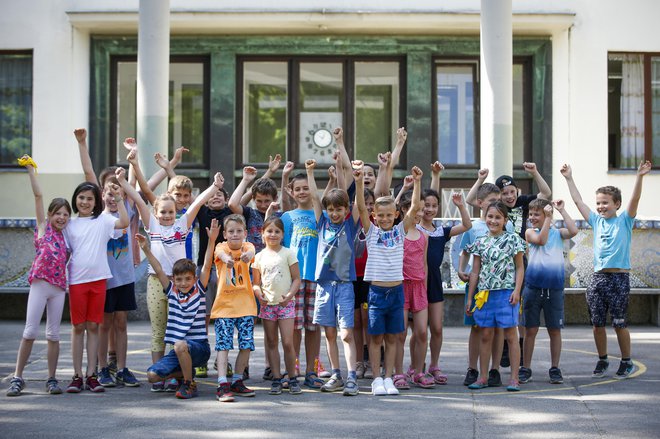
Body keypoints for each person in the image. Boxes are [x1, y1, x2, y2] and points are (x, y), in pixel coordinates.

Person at [128, 152, 224, 392]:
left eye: (170, 212)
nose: (167, 215)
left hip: (183, 281)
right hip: (157, 279)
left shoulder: (183, 223)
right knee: (159, 331)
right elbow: (141, 197)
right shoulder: (152, 224)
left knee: (179, 330)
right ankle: (160, 374)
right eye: (163, 212)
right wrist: (132, 167)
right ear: (156, 213)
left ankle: (177, 376)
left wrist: (214, 187)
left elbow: (197, 202)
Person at [561, 160, 652, 379]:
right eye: (599, 203)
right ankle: (602, 360)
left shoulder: (625, 221)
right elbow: (578, 200)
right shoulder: (596, 221)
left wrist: (640, 176)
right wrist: (569, 178)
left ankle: (626, 361)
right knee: (597, 324)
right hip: (597, 279)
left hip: (619, 279)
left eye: (606, 203)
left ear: (617, 204)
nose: (601, 207)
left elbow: (635, 198)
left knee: (620, 323)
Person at [6, 157, 71, 397]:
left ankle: (52, 379)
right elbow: (38, 196)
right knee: (30, 331)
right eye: (58, 213)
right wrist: (31, 171)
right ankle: (17, 377)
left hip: (58, 289)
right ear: (50, 214)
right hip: (40, 286)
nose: (62, 218)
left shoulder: (68, 236)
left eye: (66, 214)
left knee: (53, 334)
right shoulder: (43, 228)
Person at [356, 161, 422, 396]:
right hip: (376, 293)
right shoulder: (371, 231)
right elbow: (361, 209)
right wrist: (356, 178)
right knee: (375, 338)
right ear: (375, 216)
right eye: (380, 215)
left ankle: (389, 377)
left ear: (395, 215)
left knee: (394, 337)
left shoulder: (400, 231)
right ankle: (376, 379)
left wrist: (417, 182)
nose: (384, 219)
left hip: (397, 292)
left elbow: (414, 208)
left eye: (388, 215)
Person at [138, 218, 218, 399]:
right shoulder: (172, 292)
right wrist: (146, 249)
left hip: (199, 349)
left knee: (180, 344)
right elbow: (158, 269)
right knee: (152, 376)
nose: (183, 283)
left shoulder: (199, 290)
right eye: (179, 279)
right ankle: (186, 372)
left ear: (194, 279)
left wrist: (212, 240)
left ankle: (189, 384)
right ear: (173, 279)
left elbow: (206, 265)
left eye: (188, 279)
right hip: (179, 350)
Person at [64, 180, 128, 393]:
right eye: (81, 198)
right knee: (77, 328)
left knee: (93, 327)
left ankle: (91, 374)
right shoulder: (69, 224)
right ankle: (76, 375)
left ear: (96, 201)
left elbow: (125, 221)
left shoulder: (103, 220)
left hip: (99, 280)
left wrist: (118, 198)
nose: (85, 202)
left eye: (89, 199)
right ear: (75, 199)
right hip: (76, 282)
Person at [306, 159, 361, 396]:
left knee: (346, 333)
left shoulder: (350, 225)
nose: (335, 212)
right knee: (329, 333)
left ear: (346, 210)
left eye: (339, 209)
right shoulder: (322, 223)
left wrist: (357, 181)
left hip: (345, 285)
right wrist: (310, 173)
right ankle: (336, 374)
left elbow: (360, 206)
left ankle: (351, 377)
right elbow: (315, 199)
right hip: (324, 286)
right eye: (332, 209)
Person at [415, 161, 472, 385]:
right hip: (417, 280)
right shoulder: (413, 227)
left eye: (433, 205)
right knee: (418, 331)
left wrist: (460, 206)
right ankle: (416, 367)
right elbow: (421, 199)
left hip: (435, 282)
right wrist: (430, 177)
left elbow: (466, 225)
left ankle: (434, 365)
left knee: (436, 328)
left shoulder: (441, 230)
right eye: (425, 205)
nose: (429, 209)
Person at [464, 201, 526, 391]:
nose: (493, 220)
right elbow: (475, 271)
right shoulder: (480, 241)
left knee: (511, 335)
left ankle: (514, 378)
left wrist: (517, 290)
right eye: (490, 216)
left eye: (498, 217)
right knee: (485, 334)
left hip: (506, 293)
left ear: (505, 220)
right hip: (484, 295)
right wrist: (470, 298)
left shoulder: (513, 239)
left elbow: (519, 267)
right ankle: (483, 377)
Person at [457, 182, 513, 387]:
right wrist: (460, 270)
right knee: (477, 327)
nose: (496, 205)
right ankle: (473, 368)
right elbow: (465, 252)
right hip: (477, 283)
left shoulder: (507, 226)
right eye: (492, 202)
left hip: (499, 285)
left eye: (498, 201)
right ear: (481, 204)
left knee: (497, 329)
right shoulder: (473, 227)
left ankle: (494, 369)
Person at [520, 199, 578, 384]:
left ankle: (555, 367)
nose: (532, 217)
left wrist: (562, 210)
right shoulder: (530, 233)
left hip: (554, 289)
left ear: (546, 215)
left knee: (555, 330)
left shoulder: (558, 233)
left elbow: (574, 231)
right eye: (531, 214)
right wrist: (547, 219)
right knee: (531, 330)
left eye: (537, 214)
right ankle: (526, 367)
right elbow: (541, 240)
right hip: (533, 288)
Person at [96, 168, 140, 388]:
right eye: (108, 193)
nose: (113, 198)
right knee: (104, 324)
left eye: (117, 193)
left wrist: (133, 158)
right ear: (102, 195)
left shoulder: (127, 211)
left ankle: (122, 368)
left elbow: (131, 183)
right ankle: (103, 368)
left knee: (121, 323)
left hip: (125, 278)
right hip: (104, 280)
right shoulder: (99, 219)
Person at [281, 171, 324, 388]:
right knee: (295, 327)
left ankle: (312, 370)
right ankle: (293, 369)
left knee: (313, 327)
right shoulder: (287, 217)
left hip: (316, 277)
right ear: (291, 191)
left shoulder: (320, 214)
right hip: (294, 278)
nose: (302, 192)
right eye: (297, 188)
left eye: (306, 188)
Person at [252, 215, 303, 396]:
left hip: (286, 304)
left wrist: (290, 295)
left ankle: (292, 378)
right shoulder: (258, 257)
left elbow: (297, 278)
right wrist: (258, 294)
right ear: (262, 233)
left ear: (282, 234)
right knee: (272, 342)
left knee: (288, 342)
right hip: (268, 305)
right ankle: (276, 378)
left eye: (277, 231)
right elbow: (256, 283)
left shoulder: (288, 253)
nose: (273, 235)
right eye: (269, 231)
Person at [211, 214, 257, 401]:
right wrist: (226, 258)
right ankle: (222, 384)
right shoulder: (221, 247)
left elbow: (252, 253)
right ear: (225, 234)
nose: (235, 235)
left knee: (246, 344)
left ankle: (237, 380)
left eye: (239, 231)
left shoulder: (248, 247)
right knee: (224, 345)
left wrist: (247, 256)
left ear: (245, 233)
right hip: (224, 308)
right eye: (231, 231)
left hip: (246, 307)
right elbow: (219, 253)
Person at [394, 187, 433, 390]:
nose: (419, 213)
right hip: (400, 287)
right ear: (403, 210)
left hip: (418, 288)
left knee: (421, 333)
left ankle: (418, 372)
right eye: (414, 209)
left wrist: (424, 289)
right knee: (400, 334)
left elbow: (424, 264)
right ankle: (398, 372)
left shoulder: (423, 237)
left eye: (421, 209)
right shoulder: (397, 233)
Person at [193, 184, 232, 378]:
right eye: (211, 195)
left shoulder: (230, 212)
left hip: (226, 269)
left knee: (224, 318)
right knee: (204, 317)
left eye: (219, 194)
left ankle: (222, 360)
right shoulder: (202, 212)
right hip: (205, 269)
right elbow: (196, 202)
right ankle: (201, 361)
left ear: (226, 199)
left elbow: (241, 196)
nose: (215, 197)